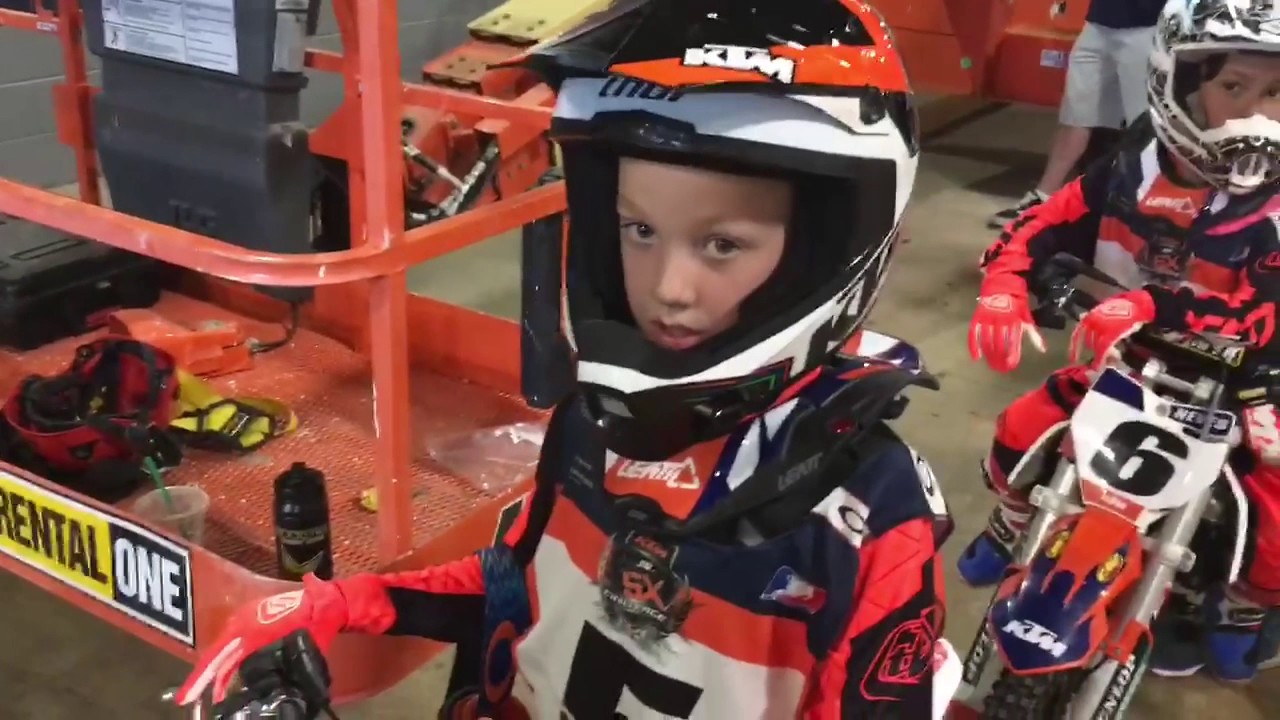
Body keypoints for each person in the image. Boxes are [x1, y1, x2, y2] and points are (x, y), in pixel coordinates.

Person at [174, 1, 957, 717]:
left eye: (722, 244)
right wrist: (336, 604)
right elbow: (517, 585)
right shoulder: (590, 426)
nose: (668, 289)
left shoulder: (865, 509)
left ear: (830, 250)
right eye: (639, 231)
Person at [962, 0, 1280, 682]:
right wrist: (1005, 283)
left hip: (1255, 377)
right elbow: (1048, 218)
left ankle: (1246, 606)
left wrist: (1149, 301)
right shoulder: (1136, 161)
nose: (1257, 113)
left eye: (1278, 93)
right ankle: (1013, 517)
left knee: (1277, 500)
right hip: (1138, 359)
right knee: (1025, 424)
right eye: (1234, 86)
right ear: (1182, 83)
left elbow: (1262, 310)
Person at [988, 0, 1167, 229]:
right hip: (1098, 23)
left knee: (1143, 126)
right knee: (1076, 114)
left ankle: (1148, 206)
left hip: (1147, 26)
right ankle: (1044, 196)